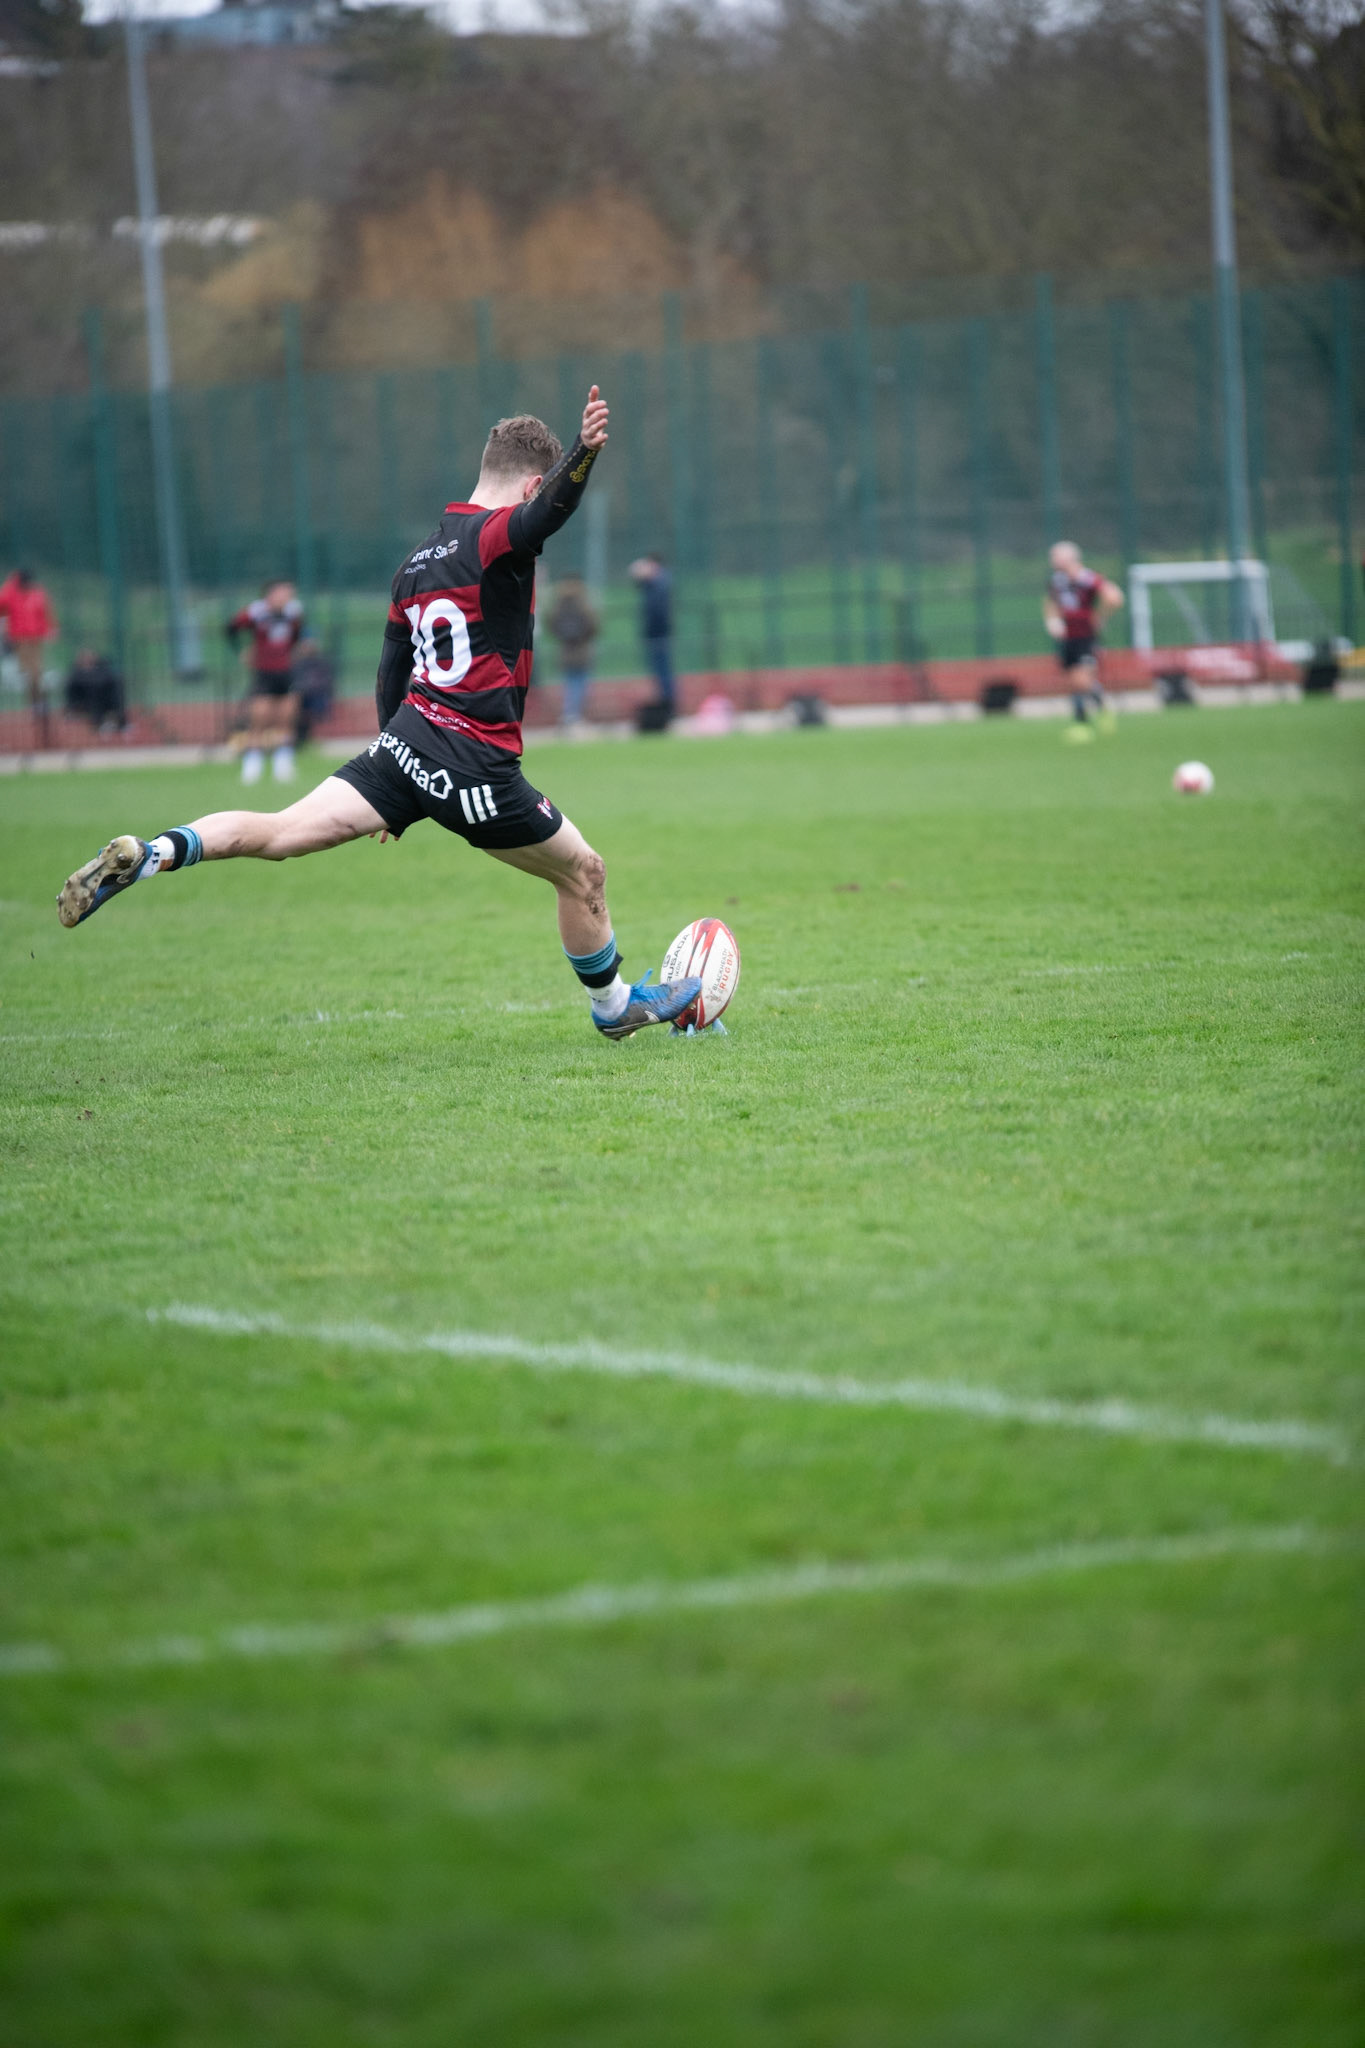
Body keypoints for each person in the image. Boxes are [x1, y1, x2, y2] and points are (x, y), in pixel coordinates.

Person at [55, 387, 702, 1045]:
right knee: (583, 872)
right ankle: (613, 1007)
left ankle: (155, 852)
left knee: (280, 833)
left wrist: (399, 778)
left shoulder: (416, 561)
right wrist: (584, 457)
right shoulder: (492, 537)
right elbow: (542, 520)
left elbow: (390, 675)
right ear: (532, 481)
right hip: (474, 758)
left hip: (406, 744)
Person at [225, 581, 305, 784]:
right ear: (270, 594)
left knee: (286, 718)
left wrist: (292, 653)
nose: (286, 596)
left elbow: (296, 636)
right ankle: (252, 766)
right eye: (282, 592)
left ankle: (283, 765)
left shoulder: (294, 613)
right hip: (263, 673)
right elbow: (230, 629)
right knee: (259, 718)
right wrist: (243, 651)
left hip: (286, 672)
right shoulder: (256, 612)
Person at [1043, 541, 1124, 735]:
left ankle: (1104, 708)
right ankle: (1081, 722)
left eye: (1055, 556)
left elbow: (1114, 597)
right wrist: (1053, 621)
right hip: (1067, 637)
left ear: (1069, 558)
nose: (1052, 560)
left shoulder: (1086, 578)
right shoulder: (1057, 580)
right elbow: (1050, 601)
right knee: (1072, 681)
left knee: (1082, 679)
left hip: (1085, 636)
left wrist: (1100, 616)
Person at [0, 568, 58, 740]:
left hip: (36, 638)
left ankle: (38, 702)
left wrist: (51, 628)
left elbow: (47, 611)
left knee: (35, 672)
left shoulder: (38, 593)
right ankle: (37, 703)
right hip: (20, 638)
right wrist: (11, 584)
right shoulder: (12, 592)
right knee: (31, 673)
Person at [545, 575, 599, 727]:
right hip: (582, 649)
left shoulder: (559, 605)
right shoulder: (583, 604)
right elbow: (593, 625)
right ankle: (575, 715)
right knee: (580, 683)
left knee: (569, 684)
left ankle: (569, 714)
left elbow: (551, 623)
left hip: (565, 650)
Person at [629, 554, 676, 718]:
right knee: (660, 672)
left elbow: (658, 611)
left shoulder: (660, 583)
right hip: (656, 634)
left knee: (663, 672)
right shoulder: (655, 583)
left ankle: (668, 706)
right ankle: (666, 704)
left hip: (659, 634)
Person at [63, 649, 127, 734]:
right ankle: (100, 724)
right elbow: (72, 690)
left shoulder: (104, 671)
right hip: (86, 702)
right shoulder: (76, 674)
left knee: (99, 698)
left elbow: (110, 685)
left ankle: (116, 723)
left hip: (106, 700)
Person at [291, 637, 336, 742]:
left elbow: (327, 682)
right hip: (303, 695)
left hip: (318, 694)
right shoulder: (298, 665)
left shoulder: (321, 663)